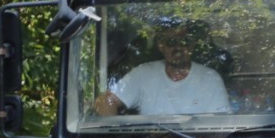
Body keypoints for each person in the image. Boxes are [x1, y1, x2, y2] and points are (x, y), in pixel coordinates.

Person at [94, 23, 230, 116]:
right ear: (161, 47)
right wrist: (117, 137)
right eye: (171, 42)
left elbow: (222, 123)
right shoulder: (143, 73)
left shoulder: (210, 77)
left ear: (191, 47)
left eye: (183, 43)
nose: (177, 48)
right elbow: (104, 103)